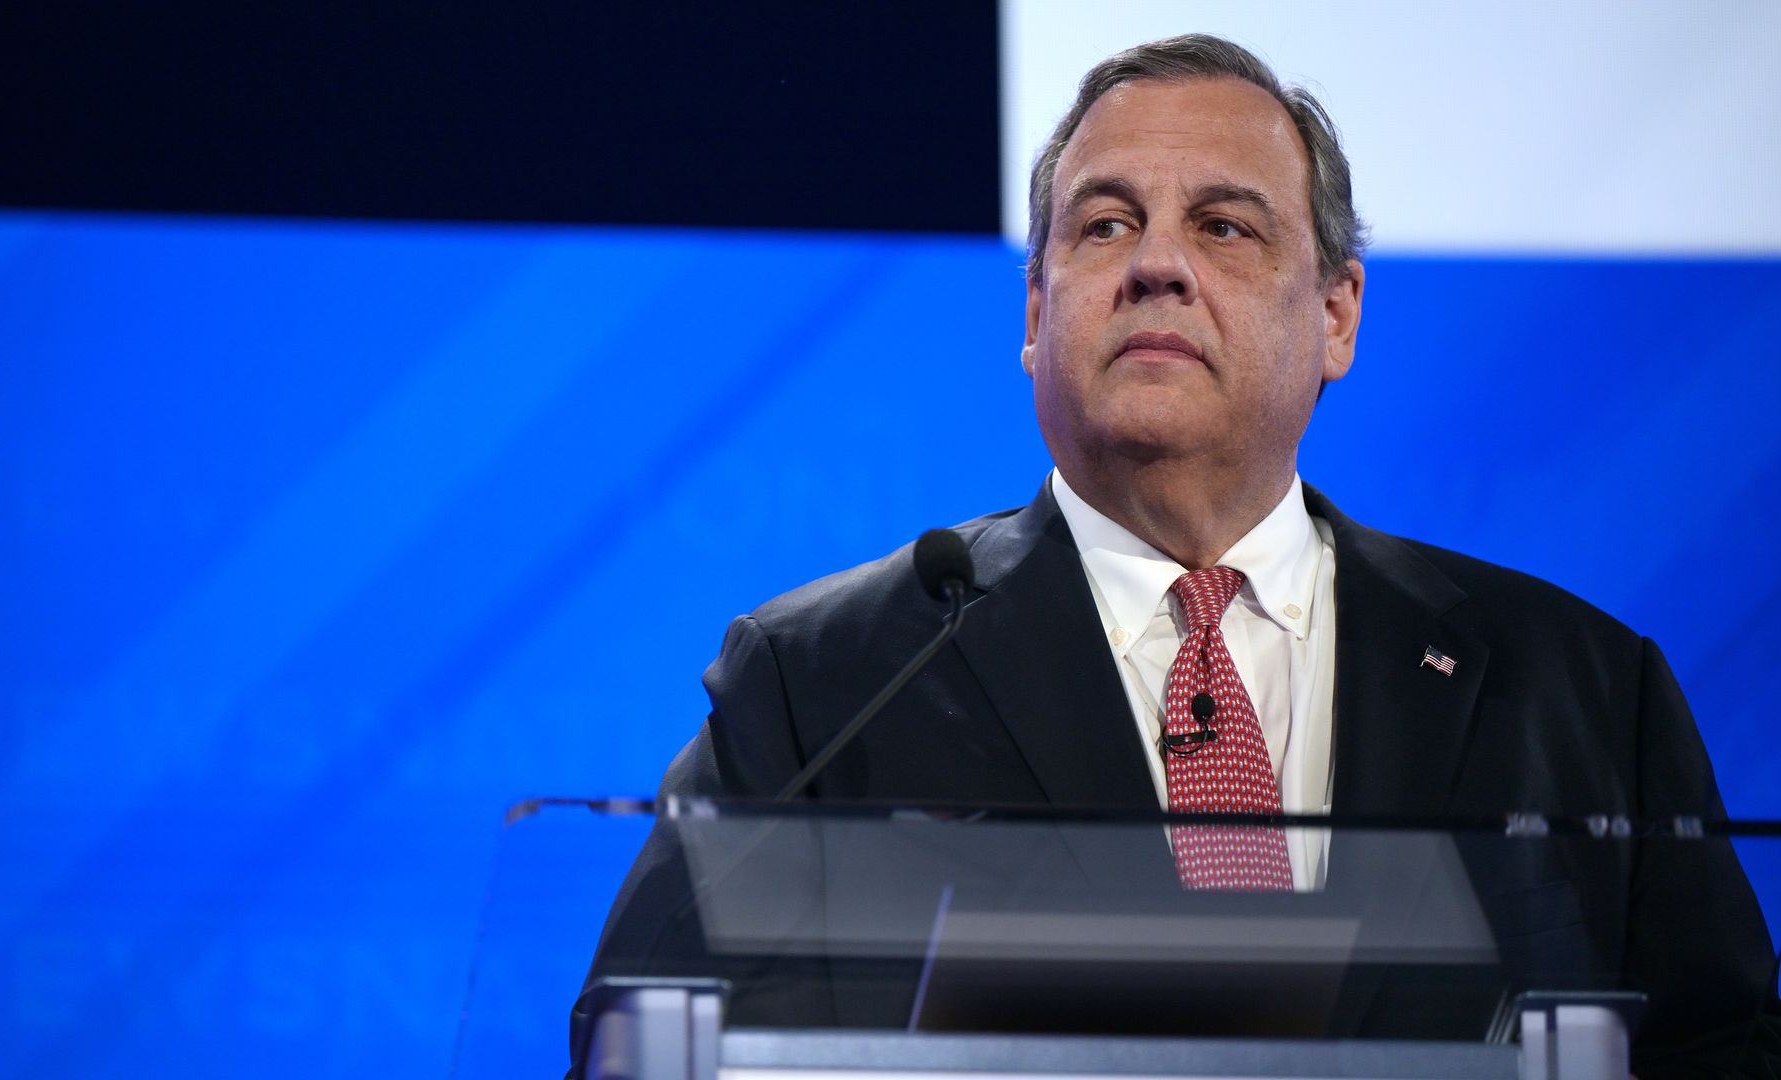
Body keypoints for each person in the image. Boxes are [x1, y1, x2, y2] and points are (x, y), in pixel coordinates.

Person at [576, 33, 1775, 1075]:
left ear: (1336, 315)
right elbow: (643, 1044)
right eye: (1106, 224)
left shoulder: (1579, 689)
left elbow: (1722, 1055)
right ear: (1037, 314)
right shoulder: (822, 683)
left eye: (1224, 225)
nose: (1158, 262)